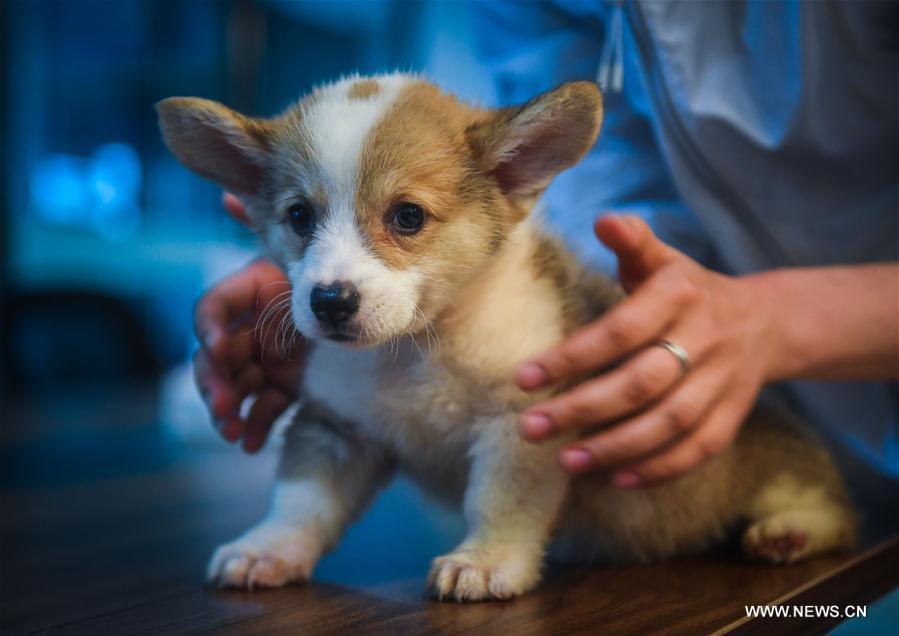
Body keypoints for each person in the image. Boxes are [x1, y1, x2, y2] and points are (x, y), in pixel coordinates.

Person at [192, 1, 899, 531]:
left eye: (403, 218)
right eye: (301, 218)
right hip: (642, 507)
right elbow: (607, 211)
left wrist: (771, 321)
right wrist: (357, 331)